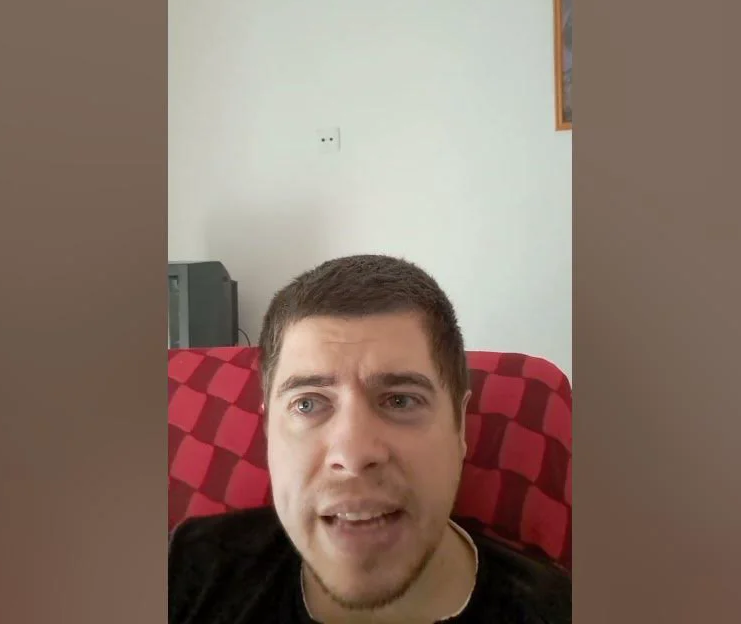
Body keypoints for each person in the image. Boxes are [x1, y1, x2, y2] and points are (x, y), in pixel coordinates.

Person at [169, 254, 571, 623]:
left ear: (459, 427)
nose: (353, 454)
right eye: (308, 404)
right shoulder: (187, 566)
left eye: (400, 400)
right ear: (268, 431)